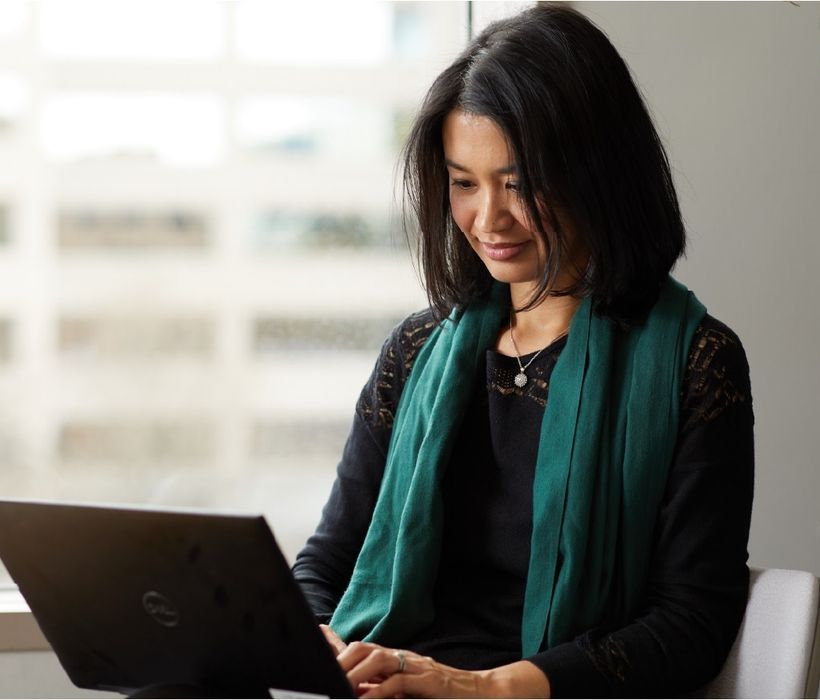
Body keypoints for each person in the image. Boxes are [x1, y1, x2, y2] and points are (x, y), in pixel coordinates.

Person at [292, 5, 754, 698]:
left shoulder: (697, 364)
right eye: (463, 183)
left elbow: (692, 623)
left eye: (519, 182)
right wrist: (315, 644)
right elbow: (326, 564)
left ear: (599, 172)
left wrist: (482, 689)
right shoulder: (416, 350)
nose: (488, 218)